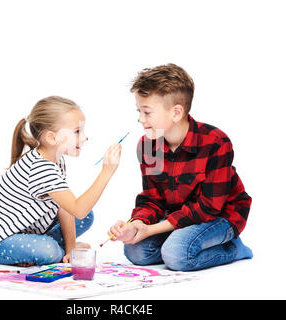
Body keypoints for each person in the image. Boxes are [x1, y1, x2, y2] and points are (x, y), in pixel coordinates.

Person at [108, 64, 253, 271]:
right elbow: (152, 199)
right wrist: (137, 223)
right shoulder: (149, 145)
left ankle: (233, 248)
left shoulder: (215, 142)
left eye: (147, 112)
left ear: (176, 112)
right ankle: (178, 243)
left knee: (177, 255)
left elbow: (208, 207)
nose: (140, 119)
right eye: (139, 111)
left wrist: (152, 230)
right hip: (178, 217)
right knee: (135, 251)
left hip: (221, 216)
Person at [0, 96, 121, 266]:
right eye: (77, 132)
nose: (85, 138)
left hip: (24, 230)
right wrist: (106, 172)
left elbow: (67, 209)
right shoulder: (41, 169)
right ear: (52, 138)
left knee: (86, 217)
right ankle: (46, 250)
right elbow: (78, 208)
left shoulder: (56, 159)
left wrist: (71, 251)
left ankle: (46, 249)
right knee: (49, 251)